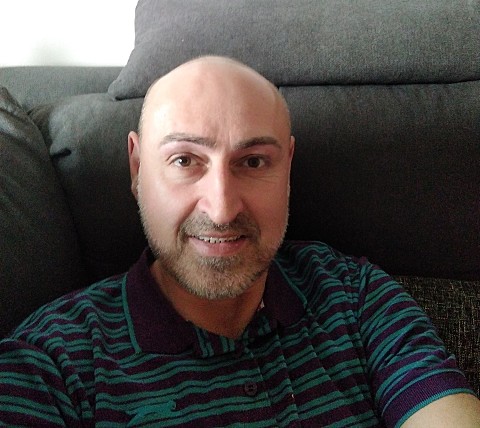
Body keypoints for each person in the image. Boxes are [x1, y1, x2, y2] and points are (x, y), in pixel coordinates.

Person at [0, 56, 479, 427]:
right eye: (185, 161)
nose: (222, 209)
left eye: (253, 162)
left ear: (287, 168)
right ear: (138, 167)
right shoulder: (52, 362)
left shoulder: (355, 295)